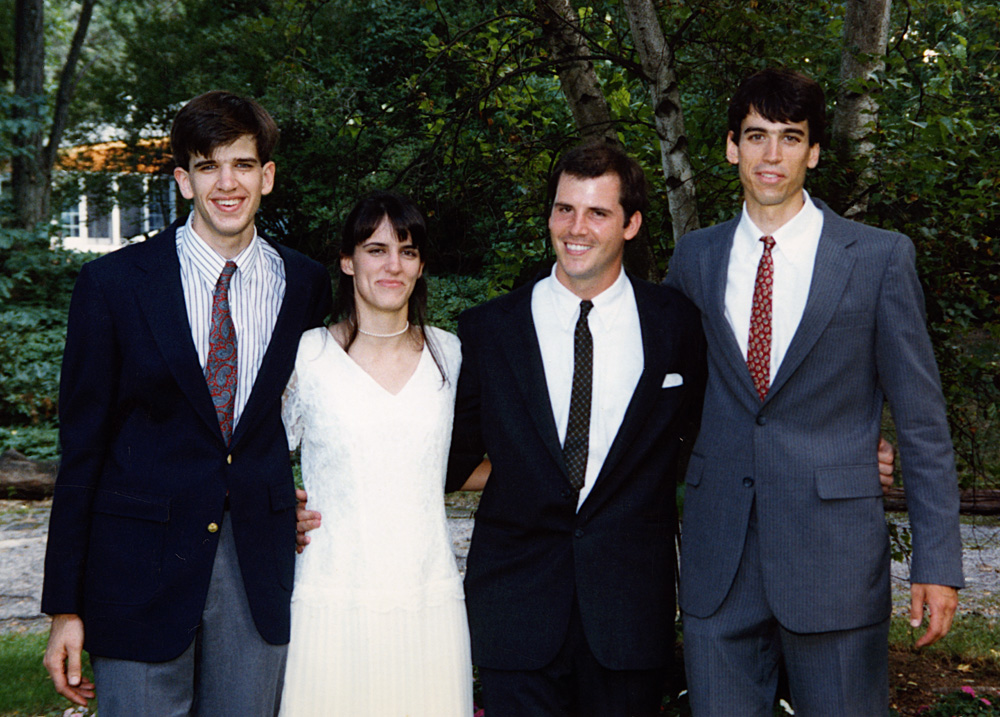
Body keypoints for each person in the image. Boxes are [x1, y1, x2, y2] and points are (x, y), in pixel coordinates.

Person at [665, 68, 964, 716]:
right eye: (756, 136)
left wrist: (937, 561)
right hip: (721, 563)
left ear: (815, 150)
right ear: (730, 146)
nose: (772, 155)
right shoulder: (694, 259)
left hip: (834, 561)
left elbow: (921, 420)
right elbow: (669, 402)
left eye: (790, 137)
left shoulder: (880, 258)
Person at [41, 90, 332, 716]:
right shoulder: (113, 285)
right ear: (182, 180)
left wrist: (302, 497)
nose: (227, 184)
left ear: (268, 176)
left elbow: (311, 414)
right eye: (208, 166)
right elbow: (82, 451)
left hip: (256, 566)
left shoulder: (307, 285)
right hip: (136, 572)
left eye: (243, 164)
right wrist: (65, 607)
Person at [444, 141, 706, 716]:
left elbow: (711, 438)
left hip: (629, 615)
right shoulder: (488, 330)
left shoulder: (676, 325)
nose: (576, 228)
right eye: (565, 209)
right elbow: (447, 458)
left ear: (631, 224)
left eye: (597, 212)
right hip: (516, 609)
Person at [278, 191, 477, 716]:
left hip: (426, 597)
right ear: (347, 261)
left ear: (421, 265)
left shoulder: (451, 356)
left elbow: (481, 462)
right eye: (376, 249)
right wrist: (281, 506)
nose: (393, 265)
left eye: (407, 252)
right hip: (331, 598)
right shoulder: (307, 356)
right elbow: (253, 457)